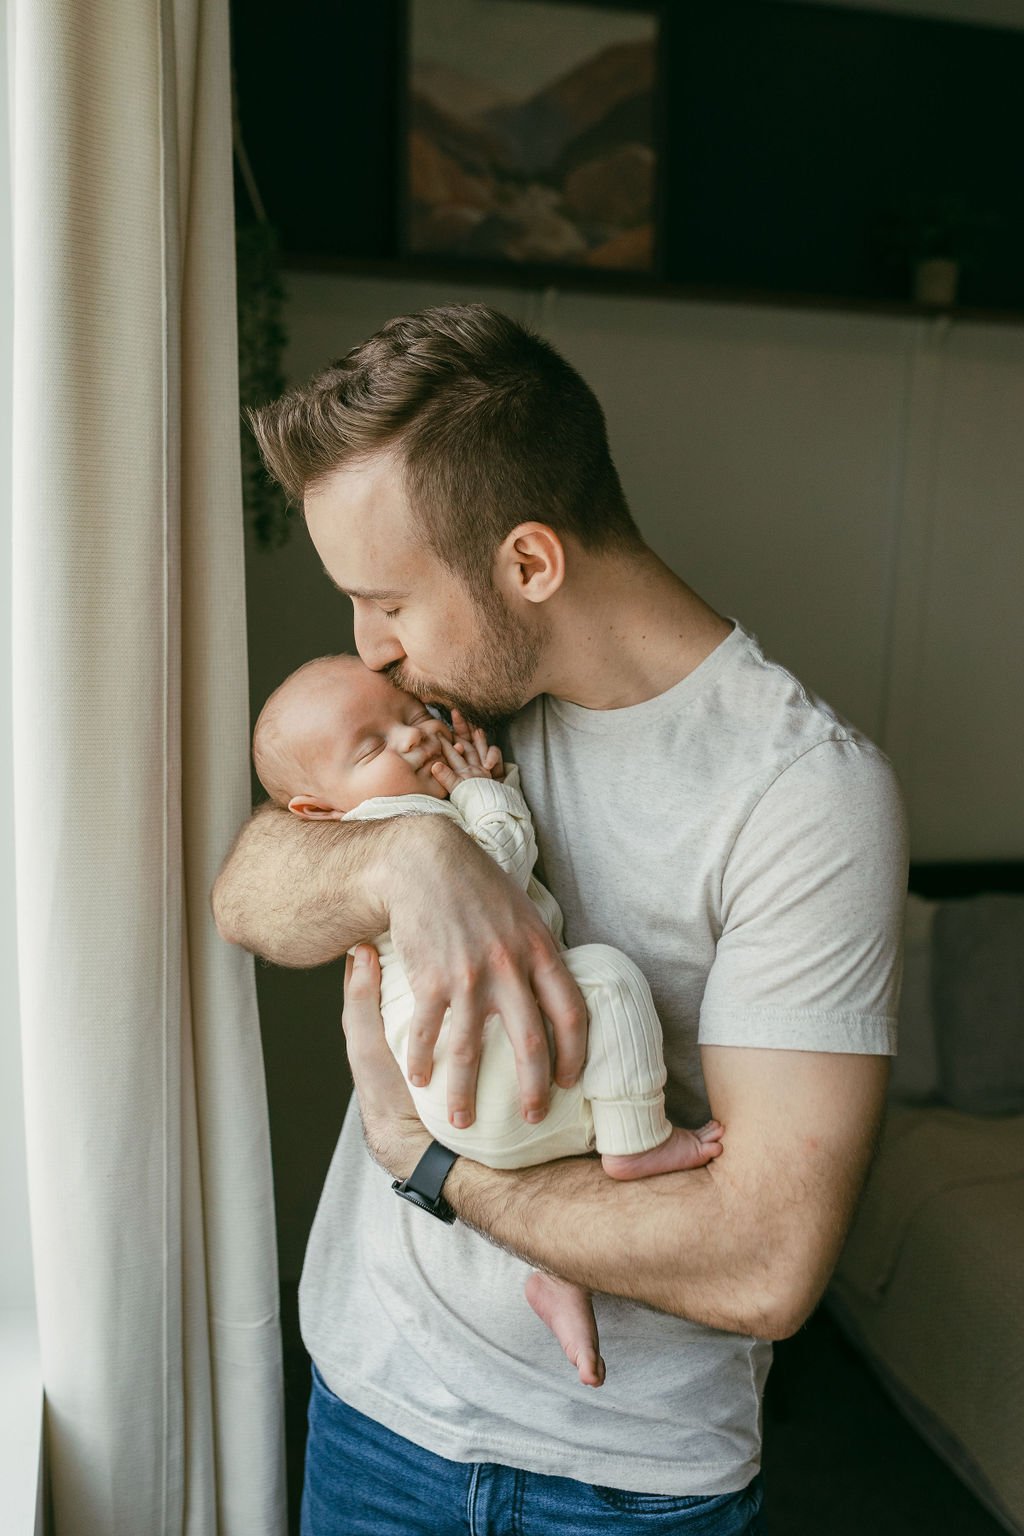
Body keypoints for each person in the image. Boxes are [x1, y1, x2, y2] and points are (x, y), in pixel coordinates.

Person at [213, 302, 908, 1536]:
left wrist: (426, 1165)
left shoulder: (806, 796)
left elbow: (763, 1261)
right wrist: (412, 862)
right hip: (373, 1414)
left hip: (623, 1486)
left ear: (528, 564)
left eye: (386, 601)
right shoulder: (440, 719)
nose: (366, 650)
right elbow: (250, 889)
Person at [251, 651, 726, 1389]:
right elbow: (500, 861)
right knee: (604, 979)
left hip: (457, 1099)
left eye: (413, 718)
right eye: (374, 746)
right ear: (318, 813)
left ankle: (556, 1273)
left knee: (554, 1129)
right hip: (475, 1070)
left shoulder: (383, 822)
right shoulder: (393, 822)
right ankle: (640, 1140)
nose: (413, 740)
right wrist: (482, 792)